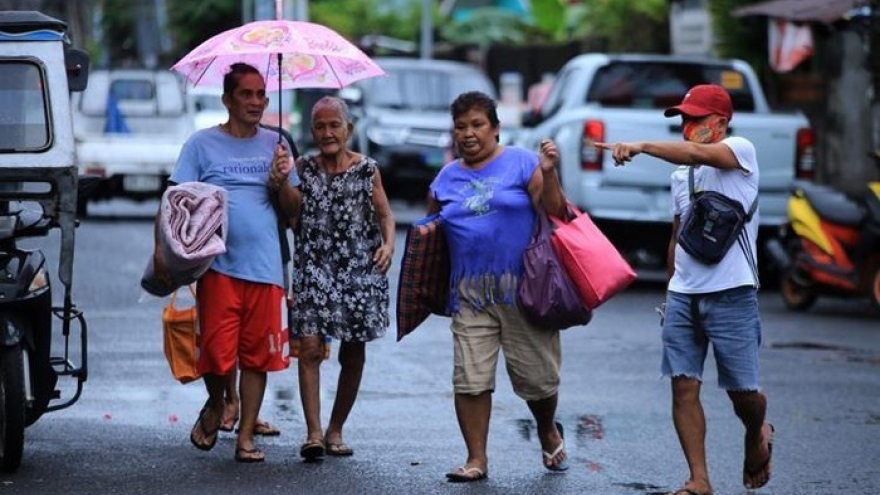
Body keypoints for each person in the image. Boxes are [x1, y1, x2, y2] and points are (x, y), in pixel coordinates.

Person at [595, 84, 774, 495]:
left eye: (696, 118)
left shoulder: (741, 153)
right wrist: (673, 286)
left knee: (744, 392)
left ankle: (755, 433)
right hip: (683, 295)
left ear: (721, 123)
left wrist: (639, 145)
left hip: (732, 291)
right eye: (684, 119)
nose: (687, 127)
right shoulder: (681, 176)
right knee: (683, 384)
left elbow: (697, 153)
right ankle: (699, 478)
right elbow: (678, 234)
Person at [153, 63, 300, 463]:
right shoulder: (201, 145)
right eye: (246, 95)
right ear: (227, 100)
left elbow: (294, 212)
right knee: (217, 354)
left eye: (261, 96)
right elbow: (172, 200)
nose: (255, 102)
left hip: (265, 267)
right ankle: (217, 402)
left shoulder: (278, 145)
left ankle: (246, 437)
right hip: (216, 266)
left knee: (259, 357)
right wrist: (161, 250)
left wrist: (281, 181)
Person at [426, 91, 568, 482]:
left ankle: (546, 427)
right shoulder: (446, 177)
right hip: (469, 293)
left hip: (523, 290)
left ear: (496, 127)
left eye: (477, 125)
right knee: (470, 378)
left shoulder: (522, 163)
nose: (468, 134)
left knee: (537, 381)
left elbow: (556, 210)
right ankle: (476, 458)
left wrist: (550, 171)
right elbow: (430, 233)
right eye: (460, 126)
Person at [292, 96, 395, 460]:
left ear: (348, 129)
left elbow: (385, 214)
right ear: (312, 131)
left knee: (353, 354)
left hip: (358, 272)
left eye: (334, 124)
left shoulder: (367, 169)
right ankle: (314, 433)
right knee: (308, 348)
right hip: (314, 269)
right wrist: (279, 181)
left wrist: (389, 245)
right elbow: (289, 212)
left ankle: (336, 429)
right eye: (319, 126)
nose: (327, 132)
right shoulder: (302, 168)